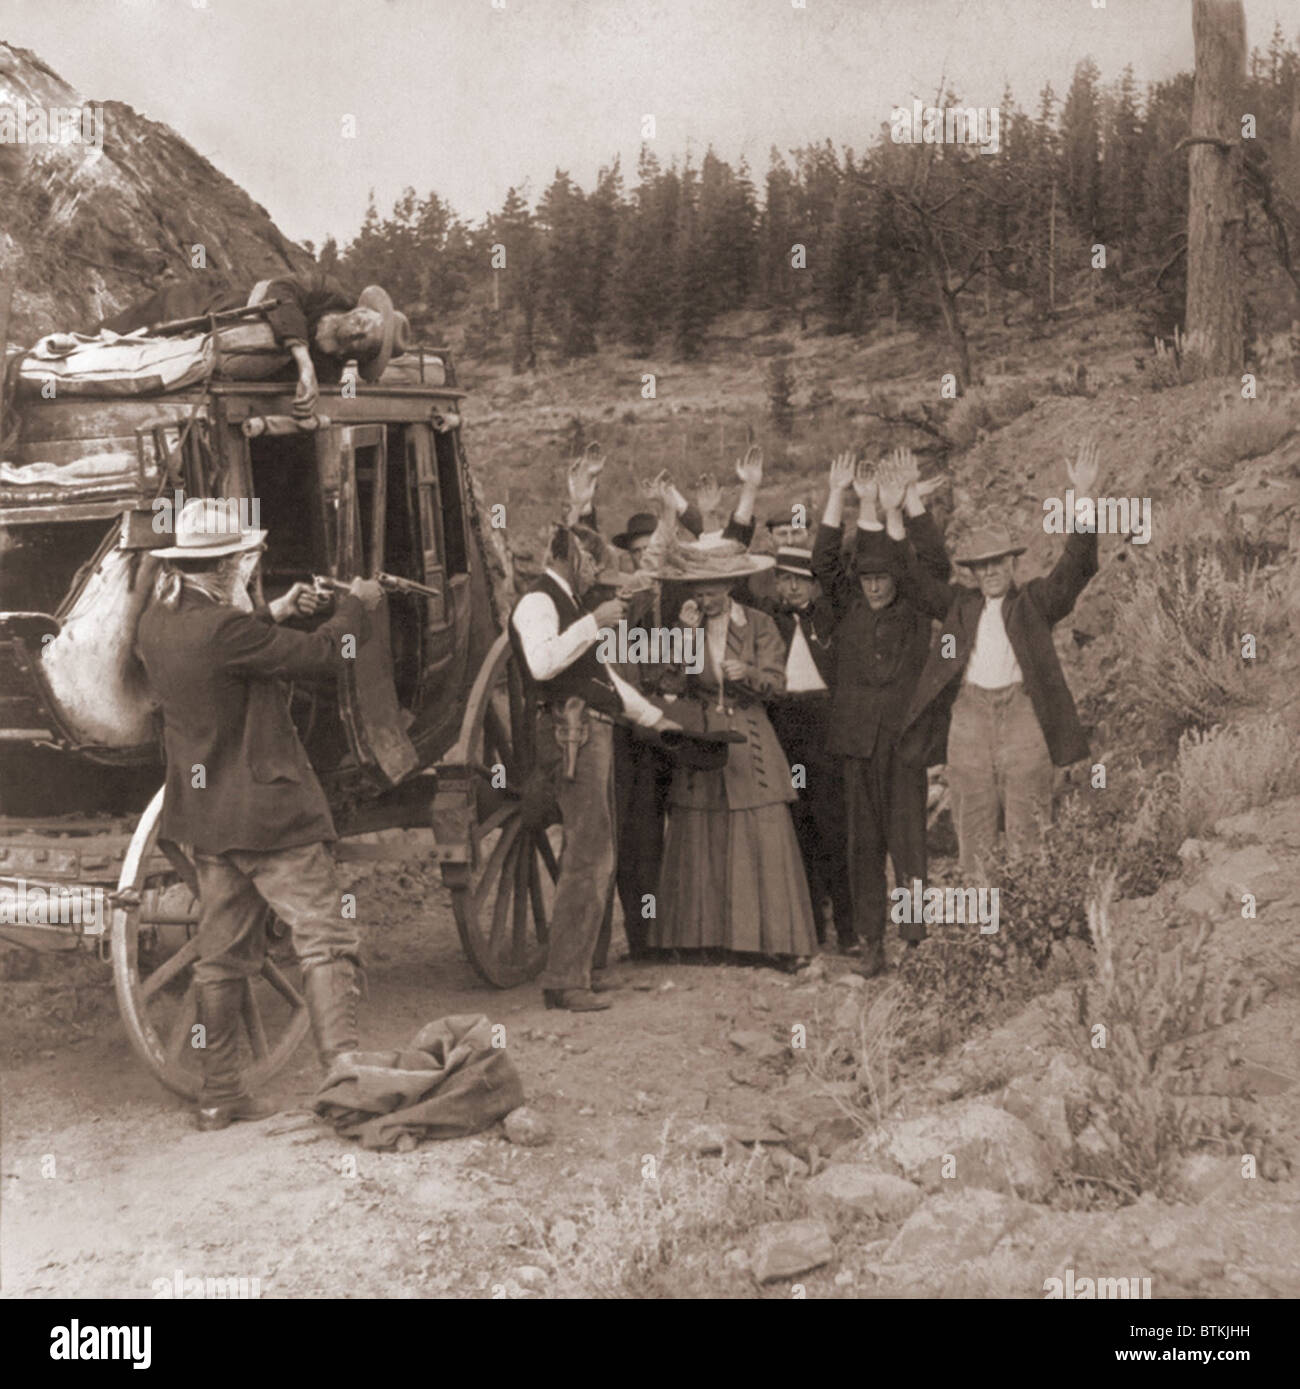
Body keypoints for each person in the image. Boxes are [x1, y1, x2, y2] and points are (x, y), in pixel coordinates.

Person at [135, 497, 384, 1131]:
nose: (250, 568)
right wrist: (356, 605)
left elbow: (231, 651)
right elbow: (330, 657)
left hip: (210, 820)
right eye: (245, 561)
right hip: (272, 817)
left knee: (221, 958)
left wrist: (276, 610)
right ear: (228, 567)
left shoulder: (156, 627)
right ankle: (346, 1082)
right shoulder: (227, 631)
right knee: (325, 940)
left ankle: (220, 1096)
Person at [882, 439, 1102, 876]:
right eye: (982, 566)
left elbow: (1076, 567)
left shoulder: (1035, 603)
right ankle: (982, 930)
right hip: (969, 717)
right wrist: (898, 508)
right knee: (974, 826)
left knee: (1029, 826)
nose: (991, 572)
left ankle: (1031, 921)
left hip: (1023, 713)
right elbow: (909, 579)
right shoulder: (958, 605)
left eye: (998, 562)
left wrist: (1082, 495)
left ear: (1012, 563)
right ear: (973, 571)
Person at [507, 522, 676, 1010]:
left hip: (587, 728)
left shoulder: (572, 608)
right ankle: (564, 981)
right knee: (586, 856)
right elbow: (541, 665)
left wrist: (652, 717)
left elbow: (601, 681)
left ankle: (575, 971)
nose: (595, 570)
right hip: (570, 733)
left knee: (594, 854)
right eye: (588, 560)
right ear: (566, 558)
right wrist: (595, 623)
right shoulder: (539, 602)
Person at [647, 537, 818, 968]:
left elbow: (779, 685)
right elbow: (667, 686)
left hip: (751, 738)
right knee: (697, 832)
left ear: (728, 587)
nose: (703, 600)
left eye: (711, 592)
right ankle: (699, 940)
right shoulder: (685, 624)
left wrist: (748, 674)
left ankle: (773, 943)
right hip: (702, 739)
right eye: (697, 592)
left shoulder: (759, 624)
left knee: (759, 831)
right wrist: (682, 638)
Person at [813, 449, 951, 977]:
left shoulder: (914, 608)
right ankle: (872, 945)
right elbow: (824, 564)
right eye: (865, 578)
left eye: (881, 577)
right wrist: (840, 496)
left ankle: (916, 943)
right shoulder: (846, 604)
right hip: (855, 745)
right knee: (863, 848)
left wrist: (906, 505)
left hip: (904, 745)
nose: (873, 585)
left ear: (895, 578)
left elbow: (933, 563)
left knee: (910, 846)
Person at [98, 269, 409, 417]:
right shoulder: (326, 289)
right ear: (359, 308)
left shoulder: (328, 376)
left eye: (363, 340)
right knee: (101, 339)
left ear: (361, 353)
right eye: (360, 321)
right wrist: (303, 360)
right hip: (202, 308)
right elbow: (280, 290)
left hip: (207, 364)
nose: (356, 331)